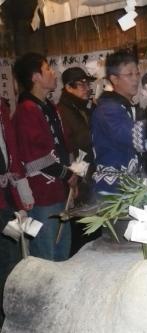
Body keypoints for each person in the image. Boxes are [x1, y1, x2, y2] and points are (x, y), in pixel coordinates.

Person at [13, 52, 79, 261]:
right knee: (44, 256)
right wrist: (67, 174)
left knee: (62, 252)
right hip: (41, 196)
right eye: (47, 68)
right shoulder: (26, 110)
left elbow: (63, 145)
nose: (53, 73)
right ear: (35, 77)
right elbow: (34, 158)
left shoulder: (49, 107)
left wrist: (72, 177)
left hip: (59, 192)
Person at [91, 50, 147, 193]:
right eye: (129, 74)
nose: (136, 79)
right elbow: (130, 135)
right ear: (114, 79)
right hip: (113, 188)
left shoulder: (125, 106)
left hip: (129, 184)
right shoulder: (107, 109)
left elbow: (137, 144)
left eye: (137, 73)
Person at [57, 67, 98, 255]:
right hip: (76, 178)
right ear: (68, 87)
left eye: (87, 83)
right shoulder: (62, 111)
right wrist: (78, 177)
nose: (86, 88)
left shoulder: (83, 108)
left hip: (89, 174)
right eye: (81, 84)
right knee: (82, 233)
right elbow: (73, 146)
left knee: (94, 229)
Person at [0, 97, 34, 325]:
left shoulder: (2, 110)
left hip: (7, 201)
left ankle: (10, 316)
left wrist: (22, 194)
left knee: (12, 258)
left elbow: (12, 154)